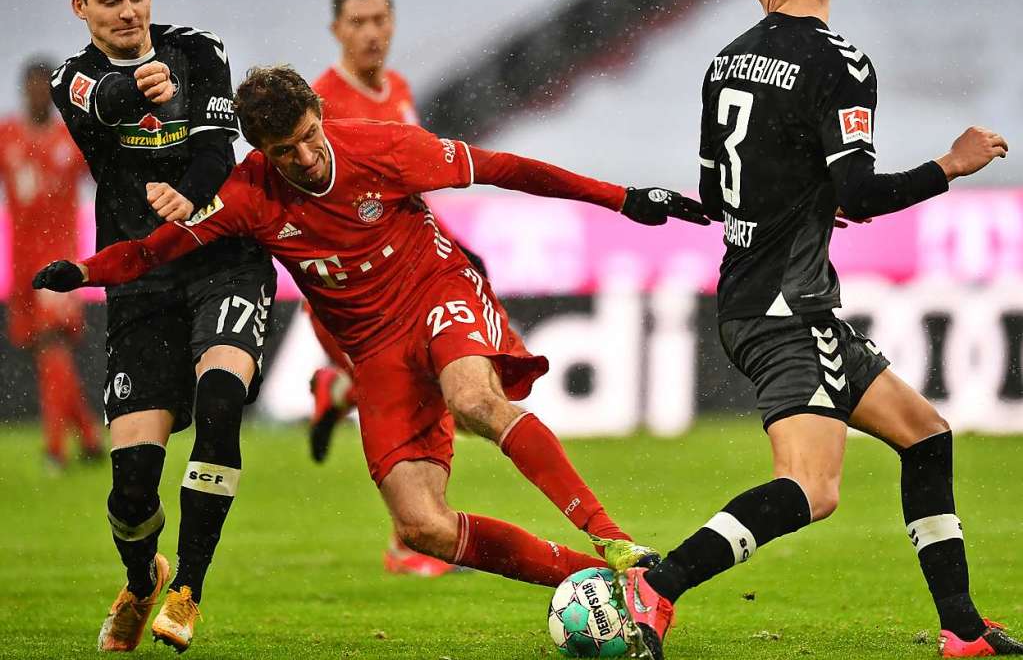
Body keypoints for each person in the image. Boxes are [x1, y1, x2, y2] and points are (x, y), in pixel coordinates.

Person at [35, 66, 708, 643]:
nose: (303, 158)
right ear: (260, 150)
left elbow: (503, 168)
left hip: (435, 288)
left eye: (307, 137)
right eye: (283, 149)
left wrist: (621, 198)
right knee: (421, 527)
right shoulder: (247, 196)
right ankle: (609, 582)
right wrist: (83, 271)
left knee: (473, 396)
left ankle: (611, 536)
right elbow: (155, 249)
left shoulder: (385, 148)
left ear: (320, 115)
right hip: (375, 351)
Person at [604, 0, 1020, 660]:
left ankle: (960, 626)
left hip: (756, 296)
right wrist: (949, 165)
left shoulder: (725, 60)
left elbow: (725, 189)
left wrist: (807, 198)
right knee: (811, 489)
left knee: (925, 436)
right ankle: (657, 582)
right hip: (787, 306)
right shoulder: (840, 61)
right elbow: (857, 193)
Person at [49, 0, 277, 652]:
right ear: (80, 7)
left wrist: (191, 190)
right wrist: (134, 87)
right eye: (110, 0)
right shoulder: (72, 79)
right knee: (132, 487)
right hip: (139, 277)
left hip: (221, 257)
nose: (128, 11)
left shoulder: (198, 50)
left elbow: (218, 147)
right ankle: (145, 578)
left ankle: (189, 590)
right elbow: (104, 101)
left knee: (219, 400)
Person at [308, 0, 487, 577]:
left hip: (399, 282)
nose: (371, 32)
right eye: (358, 22)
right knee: (421, 389)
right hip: (348, 293)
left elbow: (410, 190)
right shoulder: (319, 107)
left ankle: (336, 391)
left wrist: (451, 248)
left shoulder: (400, 92)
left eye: (380, 19)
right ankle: (412, 539)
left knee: (420, 387)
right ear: (336, 29)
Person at [0, 58, 101, 469]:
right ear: (24, 90)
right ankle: (92, 440)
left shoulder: (71, 138)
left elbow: (106, 178)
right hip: (21, 264)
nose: (40, 93)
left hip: (60, 263)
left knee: (52, 345)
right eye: (34, 86)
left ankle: (54, 450)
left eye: (47, 87)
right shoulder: (6, 135)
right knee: (47, 353)